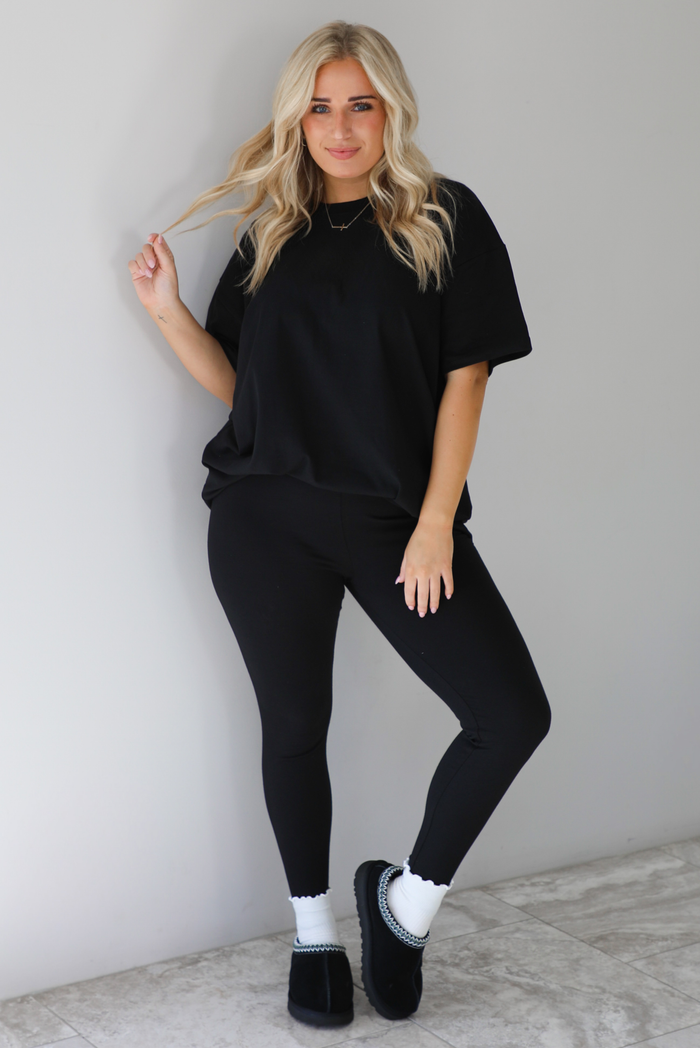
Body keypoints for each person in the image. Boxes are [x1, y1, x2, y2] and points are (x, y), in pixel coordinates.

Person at [127, 19, 551, 1030]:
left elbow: (466, 381)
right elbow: (246, 389)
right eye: (320, 108)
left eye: (360, 104)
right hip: (265, 516)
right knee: (293, 726)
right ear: (297, 120)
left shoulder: (445, 217)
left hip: (395, 520)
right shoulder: (273, 231)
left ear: (390, 110)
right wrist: (169, 313)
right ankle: (313, 934)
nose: (341, 127)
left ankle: (403, 908)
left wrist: (435, 522)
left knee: (510, 715)